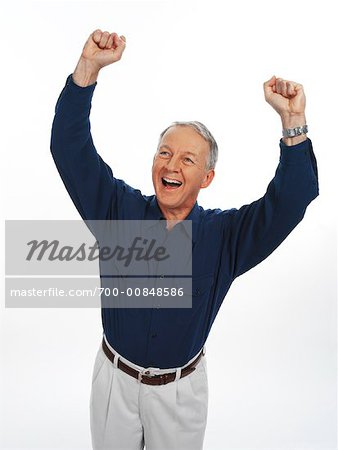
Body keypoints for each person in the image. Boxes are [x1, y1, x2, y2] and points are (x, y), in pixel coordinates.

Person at [50, 29, 319, 450]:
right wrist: (88, 69)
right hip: (113, 387)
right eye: (163, 152)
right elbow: (70, 149)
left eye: (187, 159)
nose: (170, 164)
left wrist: (292, 123)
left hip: (179, 397)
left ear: (206, 178)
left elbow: (291, 200)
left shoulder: (225, 237)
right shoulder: (117, 211)